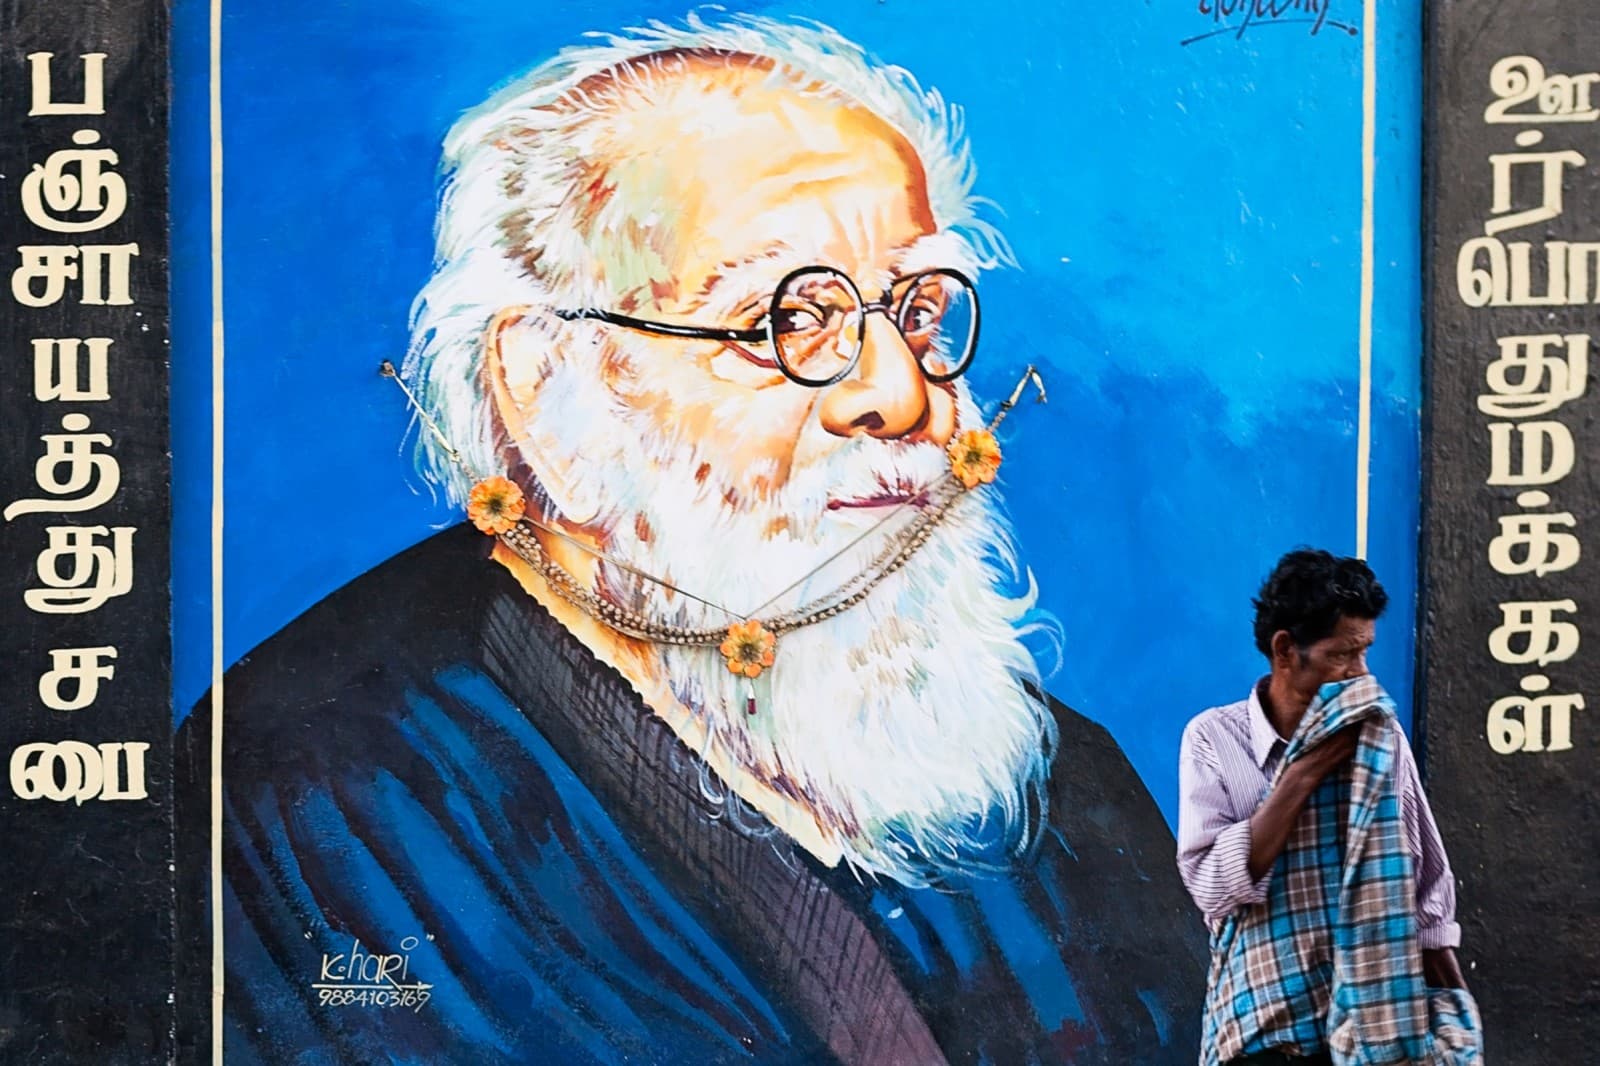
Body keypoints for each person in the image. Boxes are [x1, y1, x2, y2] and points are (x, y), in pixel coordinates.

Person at [176, 15, 1208, 1063]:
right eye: (784, 323)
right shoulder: (314, 797)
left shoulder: (1060, 785)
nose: (902, 394)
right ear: (545, 392)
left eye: (920, 310)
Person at [1176, 549, 1466, 1066]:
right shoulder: (1213, 739)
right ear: (1285, 650)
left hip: (1371, 1032)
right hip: (1264, 1033)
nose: (1360, 674)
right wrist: (1305, 772)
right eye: (1342, 655)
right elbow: (1211, 887)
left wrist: (1459, 1025)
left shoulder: (1380, 741)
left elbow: (1424, 890)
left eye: (1365, 652)